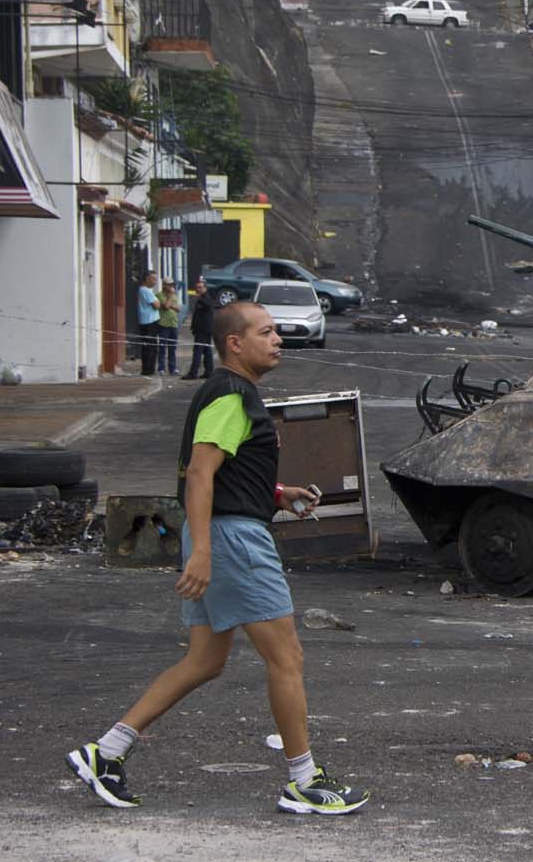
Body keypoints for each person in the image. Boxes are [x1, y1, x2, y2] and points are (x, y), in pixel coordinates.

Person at [65, 301, 371, 816]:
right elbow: (199, 475)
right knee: (287, 658)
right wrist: (203, 552)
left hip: (226, 532)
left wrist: (275, 492)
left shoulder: (233, 394)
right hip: (232, 541)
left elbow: (223, 469)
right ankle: (304, 780)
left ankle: (106, 751)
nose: (278, 340)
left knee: (205, 660)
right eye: (267, 332)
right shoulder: (231, 395)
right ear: (235, 342)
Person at [183, 278, 216, 380]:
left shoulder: (205, 298)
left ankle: (193, 372)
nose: (198, 289)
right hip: (203, 328)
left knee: (198, 351)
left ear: (205, 288)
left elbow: (207, 305)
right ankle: (209, 371)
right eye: (197, 288)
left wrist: (199, 299)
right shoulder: (202, 298)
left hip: (203, 329)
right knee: (206, 350)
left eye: (200, 287)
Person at [136, 270, 161, 377]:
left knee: (152, 346)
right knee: (149, 347)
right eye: (153, 279)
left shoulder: (148, 291)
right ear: (147, 279)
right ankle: (147, 369)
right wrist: (158, 302)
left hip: (151, 321)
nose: (155, 281)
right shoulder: (145, 290)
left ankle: (150, 368)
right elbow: (157, 305)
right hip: (149, 321)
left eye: (155, 279)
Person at [157, 279, 181, 376]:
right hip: (163, 324)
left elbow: (178, 309)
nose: (171, 286)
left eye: (172, 284)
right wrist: (170, 297)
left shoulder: (175, 295)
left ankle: (173, 368)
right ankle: (161, 368)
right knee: (162, 347)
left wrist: (171, 304)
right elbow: (166, 306)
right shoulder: (159, 295)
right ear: (164, 285)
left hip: (173, 323)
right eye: (169, 285)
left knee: (172, 348)